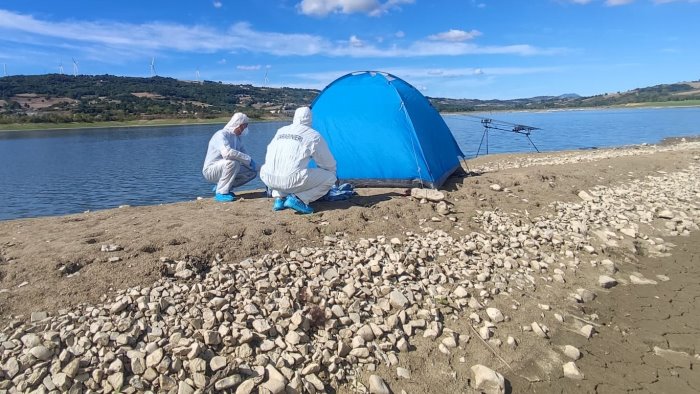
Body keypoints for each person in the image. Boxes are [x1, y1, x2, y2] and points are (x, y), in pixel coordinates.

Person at [260, 107, 336, 214]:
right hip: (289, 180)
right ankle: (299, 199)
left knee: (282, 168)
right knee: (330, 178)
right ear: (310, 119)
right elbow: (327, 163)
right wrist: (331, 172)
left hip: (267, 178)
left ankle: (279, 199)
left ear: (295, 117)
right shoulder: (313, 135)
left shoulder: (281, 131)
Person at [202, 113, 257, 202]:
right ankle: (221, 192)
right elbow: (227, 153)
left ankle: (224, 186)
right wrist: (248, 160)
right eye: (244, 127)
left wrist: (263, 170)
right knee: (232, 162)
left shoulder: (237, 139)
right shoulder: (221, 135)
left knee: (252, 171)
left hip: (225, 167)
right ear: (238, 125)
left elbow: (246, 157)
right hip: (211, 170)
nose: (245, 129)